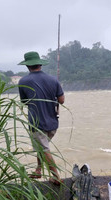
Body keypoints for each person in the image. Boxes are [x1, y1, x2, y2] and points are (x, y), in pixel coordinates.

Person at [18, 51, 65, 185]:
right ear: (40, 64)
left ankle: (55, 176)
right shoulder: (53, 80)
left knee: (43, 149)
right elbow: (61, 100)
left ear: (27, 66)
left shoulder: (23, 81)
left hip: (36, 123)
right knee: (43, 147)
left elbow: (24, 102)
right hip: (53, 123)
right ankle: (38, 170)